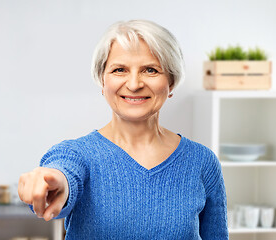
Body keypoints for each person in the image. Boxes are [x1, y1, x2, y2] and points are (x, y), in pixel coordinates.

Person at [18, 20, 228, 239]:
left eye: (150, 70)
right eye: (119, 70)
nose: (134, 84)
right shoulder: (77, 155)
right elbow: (63, 172)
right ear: (102, 81)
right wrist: (53, 183)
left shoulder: (202, 161)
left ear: (171, 82)